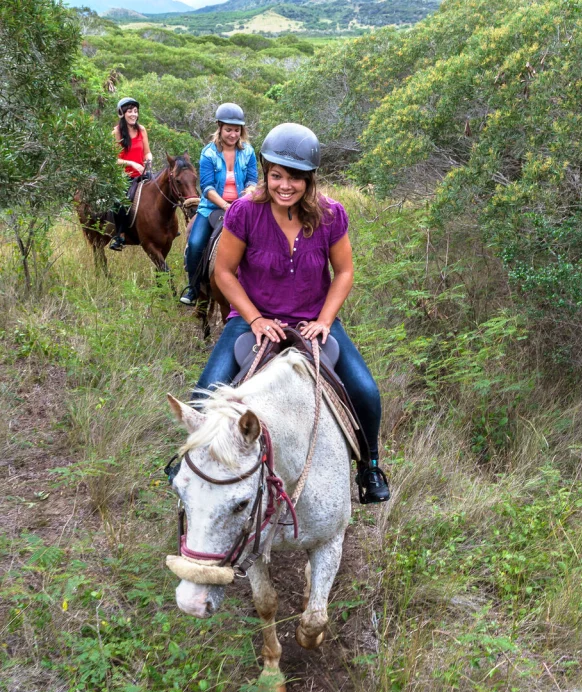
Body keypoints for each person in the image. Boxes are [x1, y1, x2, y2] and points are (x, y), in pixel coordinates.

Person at [194, 122, 390, 504]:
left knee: (366, 391)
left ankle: (369, 466)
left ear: (310, 179)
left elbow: (344, 272)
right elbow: (224, 272)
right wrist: (254, 318)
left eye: (296, 178)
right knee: (203, 397)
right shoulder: (244, 212)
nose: (285, 185)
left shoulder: (331, 215)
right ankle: (199, 470)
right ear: (266, 172)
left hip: (312, 319)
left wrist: (325, 320)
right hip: (253, 318)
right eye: (277, 175)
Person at [180, 103, 258, 306]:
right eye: (229, 129)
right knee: (196, 243)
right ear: (220, 128)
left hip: (243, 207)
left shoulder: (248, 151)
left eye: (237, 130)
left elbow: (252, 181)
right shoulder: (208, 153)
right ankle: (193, 287)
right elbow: (207, 188)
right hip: (213, 208)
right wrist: (226, 206)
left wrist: (248, 194)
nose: (233, 134)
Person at [110, 97, 152, 251]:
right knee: (121, 202)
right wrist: (132, 163)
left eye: (135, 111)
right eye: (130, 111)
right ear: (122, 114)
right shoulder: (116, 132)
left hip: (142, 174)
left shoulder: (141, 130)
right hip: (124, 177)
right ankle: (120, 236)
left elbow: (147, 152)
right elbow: (113, 160)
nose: (134, 114)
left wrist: (148, 160)